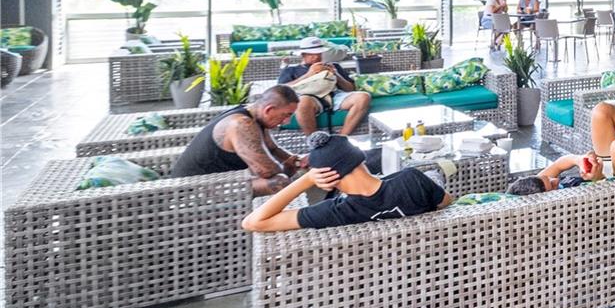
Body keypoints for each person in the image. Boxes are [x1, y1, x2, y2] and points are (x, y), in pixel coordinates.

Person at [241, 131, 452, 232]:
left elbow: (252, 222)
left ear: (326, 178)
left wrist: (305, 180)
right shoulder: (411, 179)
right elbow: (446, 203)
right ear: (360, 159)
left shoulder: (334, 212)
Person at [168, 85, 305, 195]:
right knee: (280, 182)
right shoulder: (242, 124)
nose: (287, 121)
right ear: (269, 110)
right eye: (286, 115)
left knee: (279, 176)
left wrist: (296, 160)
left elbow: (273, 149)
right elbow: (267, 171)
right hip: (191, 190)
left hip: (219, 181)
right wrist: (288, 168)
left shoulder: (255, 115)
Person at [277, 37, 372, 136]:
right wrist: (308, 75)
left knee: (363, 97)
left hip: (335, 96)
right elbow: (281, 90)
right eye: (312, 54)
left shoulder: (332, 66)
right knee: (303, 102)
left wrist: (336, 75)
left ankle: (342, 137)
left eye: (319, 53)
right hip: (310, 98)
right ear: (303, 55)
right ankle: (314, 139)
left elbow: (350, 89)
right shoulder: (292, 70)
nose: (316, 57)